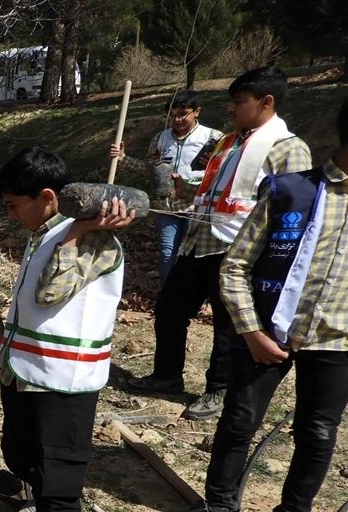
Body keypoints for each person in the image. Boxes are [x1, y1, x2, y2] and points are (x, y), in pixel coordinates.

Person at [174, 98, 348, 512]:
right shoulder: (293, 192)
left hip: (337, 345)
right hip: (266, 333)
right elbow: (235, 266)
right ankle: (218, 506)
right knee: (239, 419)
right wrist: (250, 329)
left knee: (317, 433)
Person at [0, 147, 134, 512]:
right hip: (26, 370)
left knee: (59, 481)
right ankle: (40, 501)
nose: (11, 215)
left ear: (47, 197)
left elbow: (52, 291)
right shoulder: (44, 232)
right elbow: (32, 302)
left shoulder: (90, 240)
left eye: (14, 204)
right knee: (21, 451)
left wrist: (79, 229)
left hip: (64, 381)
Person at [128, 67, 312, 421]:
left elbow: (294, 208)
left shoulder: (288, 148)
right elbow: (217, 188)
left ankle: (218, 389)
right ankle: (166, 376)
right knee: (169, 308)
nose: (230, 109)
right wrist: (187, 189)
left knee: (227, 325)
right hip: (199, 241)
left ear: (267, 102)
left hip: (239, 249)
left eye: (239, 102)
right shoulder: (228, 142)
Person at [109, 89, 224, 283]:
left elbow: (223, 173)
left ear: (196, 112)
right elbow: (149, 168)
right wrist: (123, 159)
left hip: (196, 207)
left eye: (182, 114)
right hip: (166, 208)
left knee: (192, 255)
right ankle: (168, 297)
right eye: (172, 115)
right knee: (167, 253)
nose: (176, 120)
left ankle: (192, 296)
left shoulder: (214, 139)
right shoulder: (160, 139)